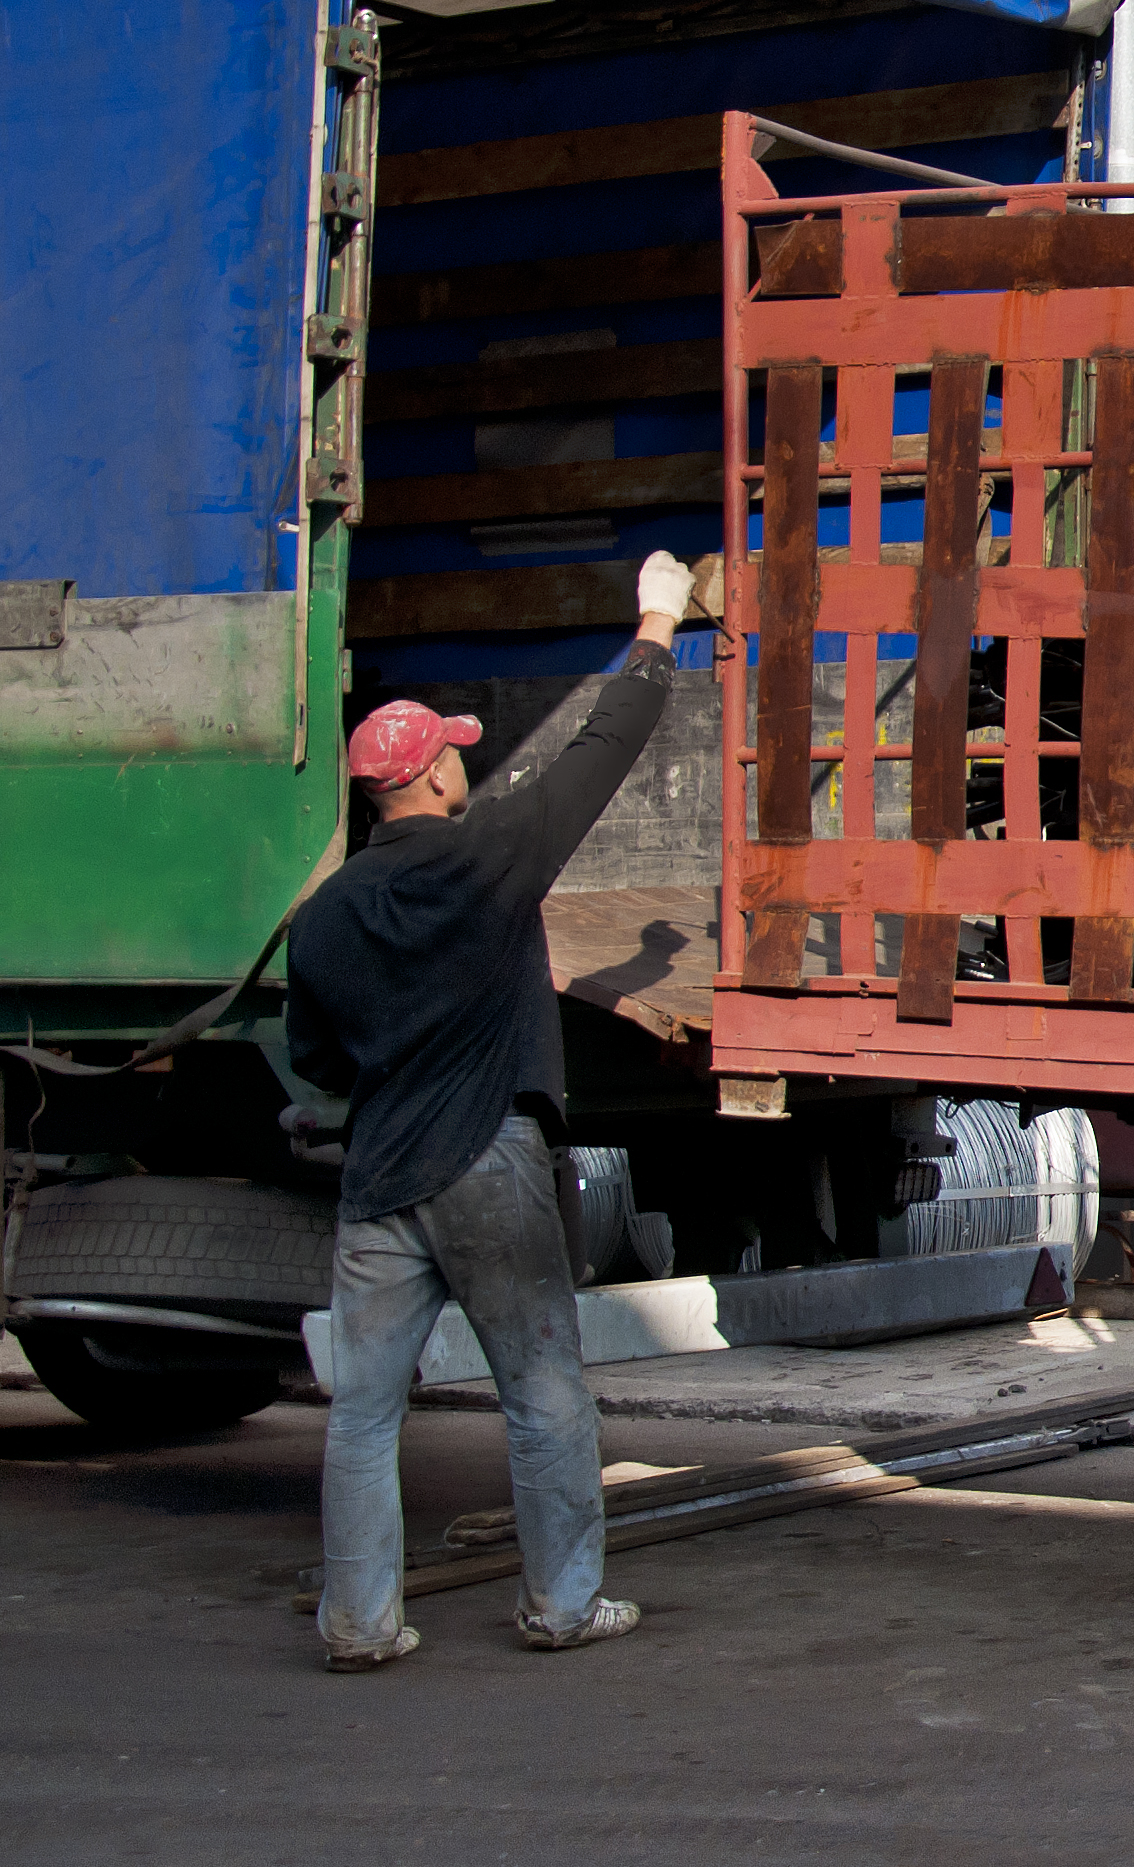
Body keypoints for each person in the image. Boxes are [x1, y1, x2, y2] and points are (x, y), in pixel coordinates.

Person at [290, 551, 696, 1672]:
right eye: (453, 757)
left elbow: (317, 1059)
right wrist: (657, 622)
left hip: (380, 1181)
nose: (468, 768)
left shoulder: (323, 919)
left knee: (364, 1416)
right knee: (544, 1394)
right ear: (425, 780)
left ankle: (360, 1623)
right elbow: (598, 754)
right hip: (490, 1163)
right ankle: (561, 1604)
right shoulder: (489, 856)